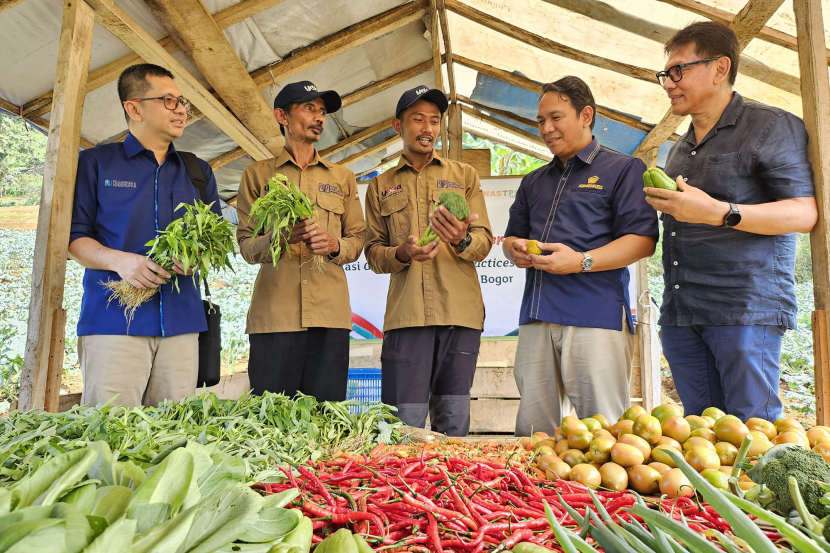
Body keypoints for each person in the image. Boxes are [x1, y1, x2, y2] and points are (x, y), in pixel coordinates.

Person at [644, 22, 817, 421]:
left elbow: (804, 213)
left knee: (754, 436)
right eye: (665, 74)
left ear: (720, 68)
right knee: (703, 435)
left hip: (744, 311)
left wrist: (721, 212)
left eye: (678, 71)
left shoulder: (770, 126)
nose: (668, 83)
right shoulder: (680, 148)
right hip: (683, 312)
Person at [503, 76, 659, 435]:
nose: (546, 128)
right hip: (537, 315)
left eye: (556, 117)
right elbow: (513, 237)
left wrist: (581, 261)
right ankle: (537, 493)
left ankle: (605, 495)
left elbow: (643, 240)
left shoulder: (623, 169)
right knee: (534, 435)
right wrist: (513, 249)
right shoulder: (533, 181)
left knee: (605, 435)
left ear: (586, 115)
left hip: (595, 315)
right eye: (540, 121)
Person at [69, 63, 221, 408]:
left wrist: (195, 259)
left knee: (174, 434)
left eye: (183, 101)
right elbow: (74, 239)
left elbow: (213, 239)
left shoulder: (197, 171)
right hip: (114, 322)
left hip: (182, 323)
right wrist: (119, 262)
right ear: (133, 107)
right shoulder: (95, 163)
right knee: (110, 434)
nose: (181, 109)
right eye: (169, 100)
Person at [364, 86, 493, 436]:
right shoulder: (380, 186)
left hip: (460, 315)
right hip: (407, 319)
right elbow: (373, 254)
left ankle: (456, 491)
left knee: (453, 423)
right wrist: (403, 253)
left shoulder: (464, 176)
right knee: (403, 427)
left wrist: (460, 238)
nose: (427, 128)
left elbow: (484, 244)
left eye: (434, 121)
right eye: (418, 119)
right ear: (398, 125)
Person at [236, 81, 365, 401]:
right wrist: (275, 240)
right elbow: (246, 247)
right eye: (309, 108)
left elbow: (358, 239)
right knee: (272, 422)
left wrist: (335, 246)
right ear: (282, 116)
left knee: (325, 417)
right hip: (274, 317)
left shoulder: (342, 177)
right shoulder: (256, 175)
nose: (319, 117)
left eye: (322, 111)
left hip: (330, 316)